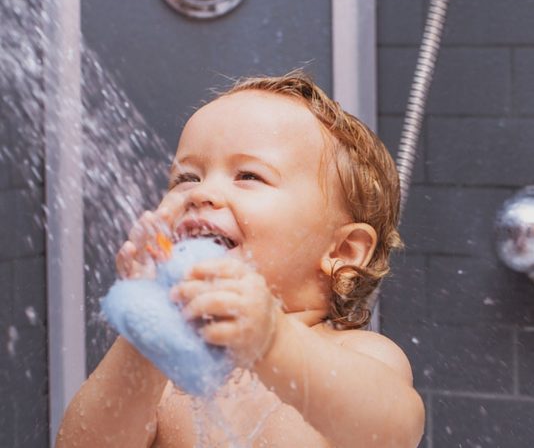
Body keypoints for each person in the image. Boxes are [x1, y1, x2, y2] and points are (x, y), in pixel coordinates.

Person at [56, 72, 425, 447]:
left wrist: (272, 341)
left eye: (249, 175)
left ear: (342, 252)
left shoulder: (356, 355)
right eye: (187, 177)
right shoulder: (167, 375)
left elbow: (395, 429)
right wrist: (143, 332)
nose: (202, 194)